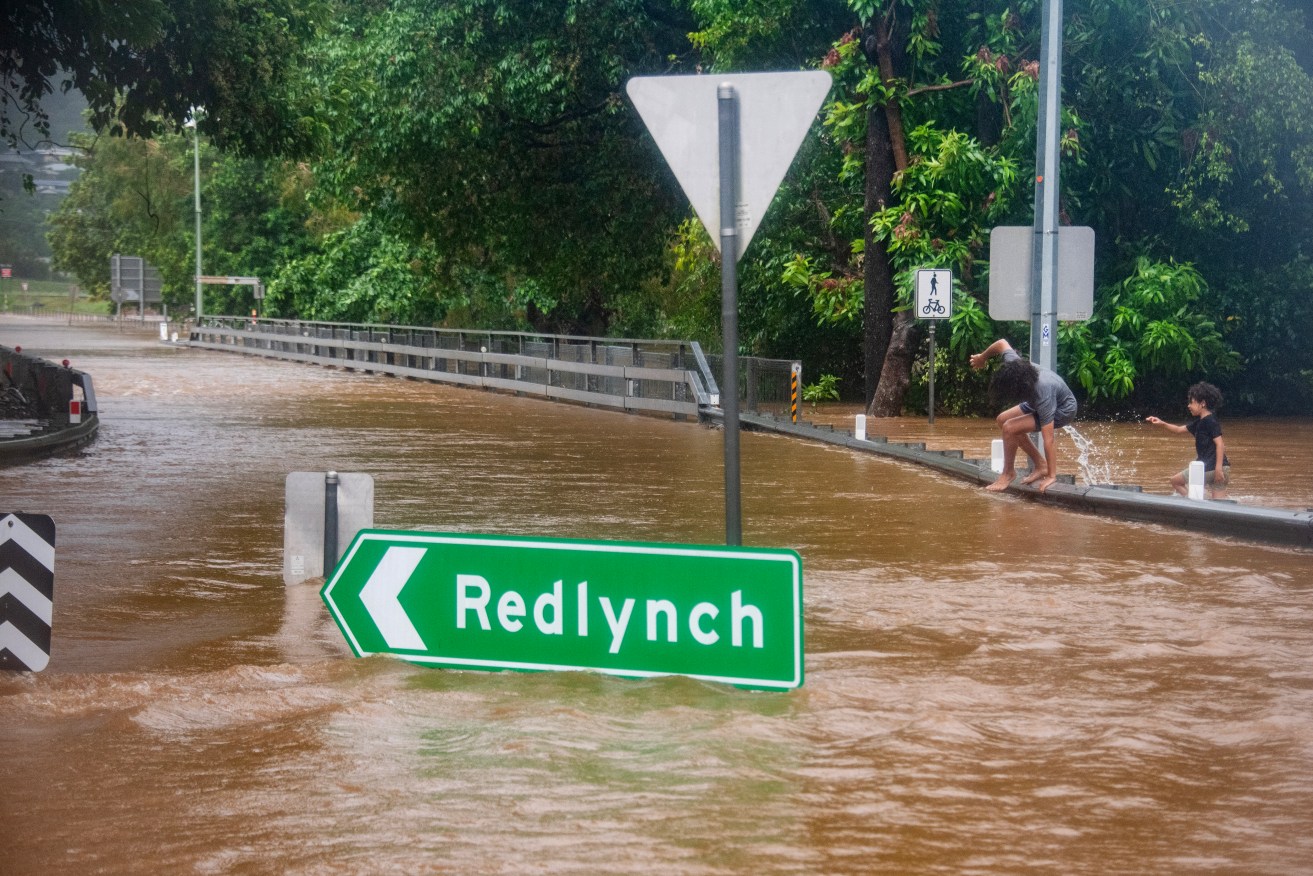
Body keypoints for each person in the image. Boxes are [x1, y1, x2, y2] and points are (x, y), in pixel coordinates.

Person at [969, 338, 1078, 493]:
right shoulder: (1014, 365)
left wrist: (1052, 476)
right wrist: (982, 357)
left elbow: (1049, 440)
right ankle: (1040, 464)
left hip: (1063, 409)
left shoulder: (1043, 392)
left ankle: (1008, 473)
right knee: (1002, 419)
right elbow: (1001, 343)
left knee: (1009, 427)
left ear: (1019, 388)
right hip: (1033, 399)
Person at [1145, 381, 1230, 499]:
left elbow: (1220, 444)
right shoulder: (1200, 423)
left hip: (1212, 468)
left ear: (1203, 403)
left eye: (1192, 402)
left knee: (1175, 481)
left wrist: (1218, 469)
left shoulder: (1210, 421)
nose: (1188, 405)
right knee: (1219, 505)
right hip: (1220, 468)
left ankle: (1194, 501)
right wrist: (1162, 423)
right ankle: (1201, 501)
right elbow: (1179, 430)